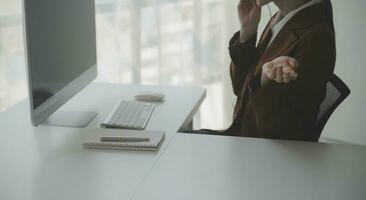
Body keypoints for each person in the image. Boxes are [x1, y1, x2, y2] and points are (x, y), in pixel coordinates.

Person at [191, 0, 336, 141]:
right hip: (242, 137)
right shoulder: (281, 18)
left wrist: (264, 82)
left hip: (260, 152)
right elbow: (240, 89)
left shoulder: (317, 36)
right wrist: (247, 31)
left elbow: (283, 134)